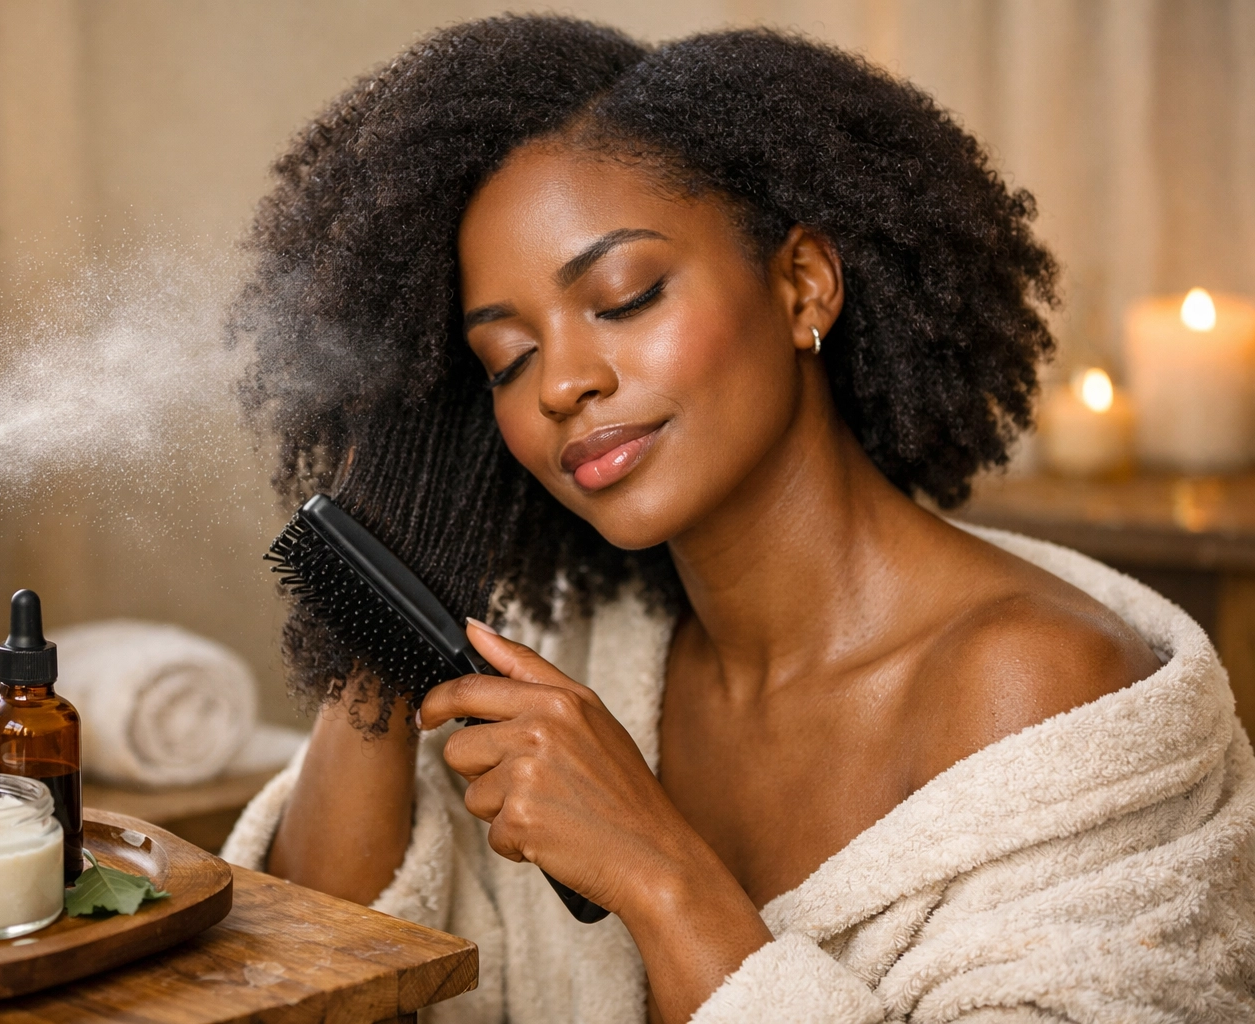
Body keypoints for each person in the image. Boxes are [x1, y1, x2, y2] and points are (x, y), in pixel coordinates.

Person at [224, 16, 1255, 1023]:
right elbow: (310, 973)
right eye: (508, 359)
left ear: (803, 285)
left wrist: (657, 870)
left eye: (625, 297)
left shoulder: (1037, 684)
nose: (562, 384)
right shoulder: (564, 652)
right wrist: (387, 570)